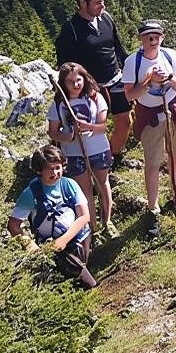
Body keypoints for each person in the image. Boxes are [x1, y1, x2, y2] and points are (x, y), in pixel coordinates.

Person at [122, 19, 176, 236]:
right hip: (150, 117)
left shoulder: (170, 56)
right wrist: (149, 81)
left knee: (175, 155)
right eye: (148, 36)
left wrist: (169, 77)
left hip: (172, 111)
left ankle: (175, 195)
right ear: (141, 39)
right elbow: (130, 95)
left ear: (162, 38)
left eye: (156, 36)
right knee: (153, 163)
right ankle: (153, 208)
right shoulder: (132, 62)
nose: (153, 40)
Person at [54, 0, 133, 163]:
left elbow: (118, 49)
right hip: (90, 87)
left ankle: (111, 157)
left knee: (124, 121)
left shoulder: (106, 18)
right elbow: (65, 66)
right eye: (98, 2)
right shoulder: (71, 29)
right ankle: (87, 160)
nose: (102, 6)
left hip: (115, 80)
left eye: (103, 1)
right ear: (83, 3)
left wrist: (131, 72)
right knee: (93, 128)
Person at [7, 145, 96, 288]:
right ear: (39, 171)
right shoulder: (31, 193)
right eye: (50, 169)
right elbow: (13, 225)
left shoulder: (69, 185)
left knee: (76, 270)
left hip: (78, 238)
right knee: (74, 275)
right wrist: (31, 248)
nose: (55, 172)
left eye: (58, 167)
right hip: (49, 245)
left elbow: (84, 216)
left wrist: (63, 241)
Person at [48, 62, 117, 241]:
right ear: (63, 83)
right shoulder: (58, 104)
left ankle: (107, 221)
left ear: (84, 79)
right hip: (72, 154)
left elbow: (103, 127)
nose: (76, 84)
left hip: (98, 149)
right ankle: (92, 228)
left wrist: (88, 126)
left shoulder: (95, 97)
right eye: (70, 81)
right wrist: (69, 136)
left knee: (103, 184)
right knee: (84, 191)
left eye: (78, 80)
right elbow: (53, 132)